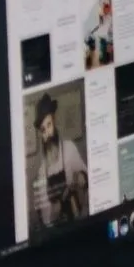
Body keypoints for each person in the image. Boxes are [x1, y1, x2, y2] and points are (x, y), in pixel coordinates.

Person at [30, 96, 89, 227]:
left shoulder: (69, 148)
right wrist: (52, 210)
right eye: (43, 130)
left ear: (54, 121)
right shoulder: (42, 170)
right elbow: (45, 219)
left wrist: (82, 177)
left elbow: (87, 176)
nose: (47, 134)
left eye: (49, 125)